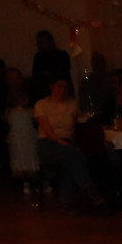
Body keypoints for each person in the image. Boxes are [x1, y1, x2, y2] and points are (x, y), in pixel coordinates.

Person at [33, 76, 104, 207]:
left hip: (67, 143)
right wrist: (64, 144)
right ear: (52, 86)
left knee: (70, 160)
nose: (62, 90)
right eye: (59, 86)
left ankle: (67, 199)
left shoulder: (72, 103)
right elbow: (47, 130)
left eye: (65, 87)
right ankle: (88, 187)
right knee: (73, 154)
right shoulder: (41, 104)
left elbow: (80, 119)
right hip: (48, 142)